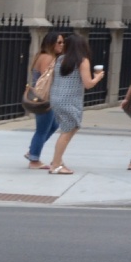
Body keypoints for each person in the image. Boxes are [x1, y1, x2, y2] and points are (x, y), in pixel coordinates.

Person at [45, 28, 104, 176]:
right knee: (67, 132)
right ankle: (56, 165)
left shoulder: (60, 59)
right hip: (70, 100)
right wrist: (98, 76)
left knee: (69, 129)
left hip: (57, 98)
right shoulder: (82, 61)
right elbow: (88, 84)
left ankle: (58, 161)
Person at [25, 31, 59, 169]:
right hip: (44, 98)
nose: (62, 45)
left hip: (41, 97)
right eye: (59, 42)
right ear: (51, 43)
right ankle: (34, 160)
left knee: (53, 125)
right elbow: (47, 78)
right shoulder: (48, 57)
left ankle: (33, 151)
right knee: (42, 129)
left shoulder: (42, 56)